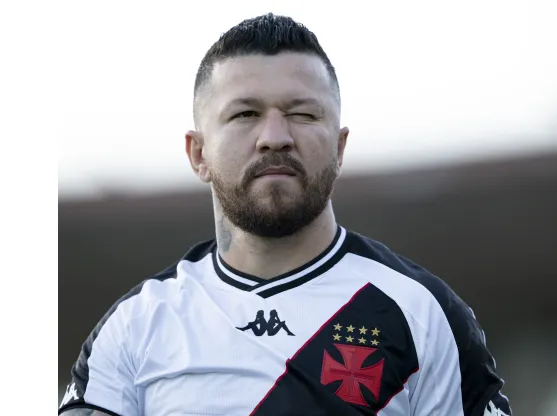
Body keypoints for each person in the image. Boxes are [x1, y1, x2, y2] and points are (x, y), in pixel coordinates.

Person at [59, 13, 512, 416]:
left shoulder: (422, 314)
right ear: (198, 153)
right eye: (245, 114)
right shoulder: (136, 326)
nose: (274, 137)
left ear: (339, 147)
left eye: (302, 114)